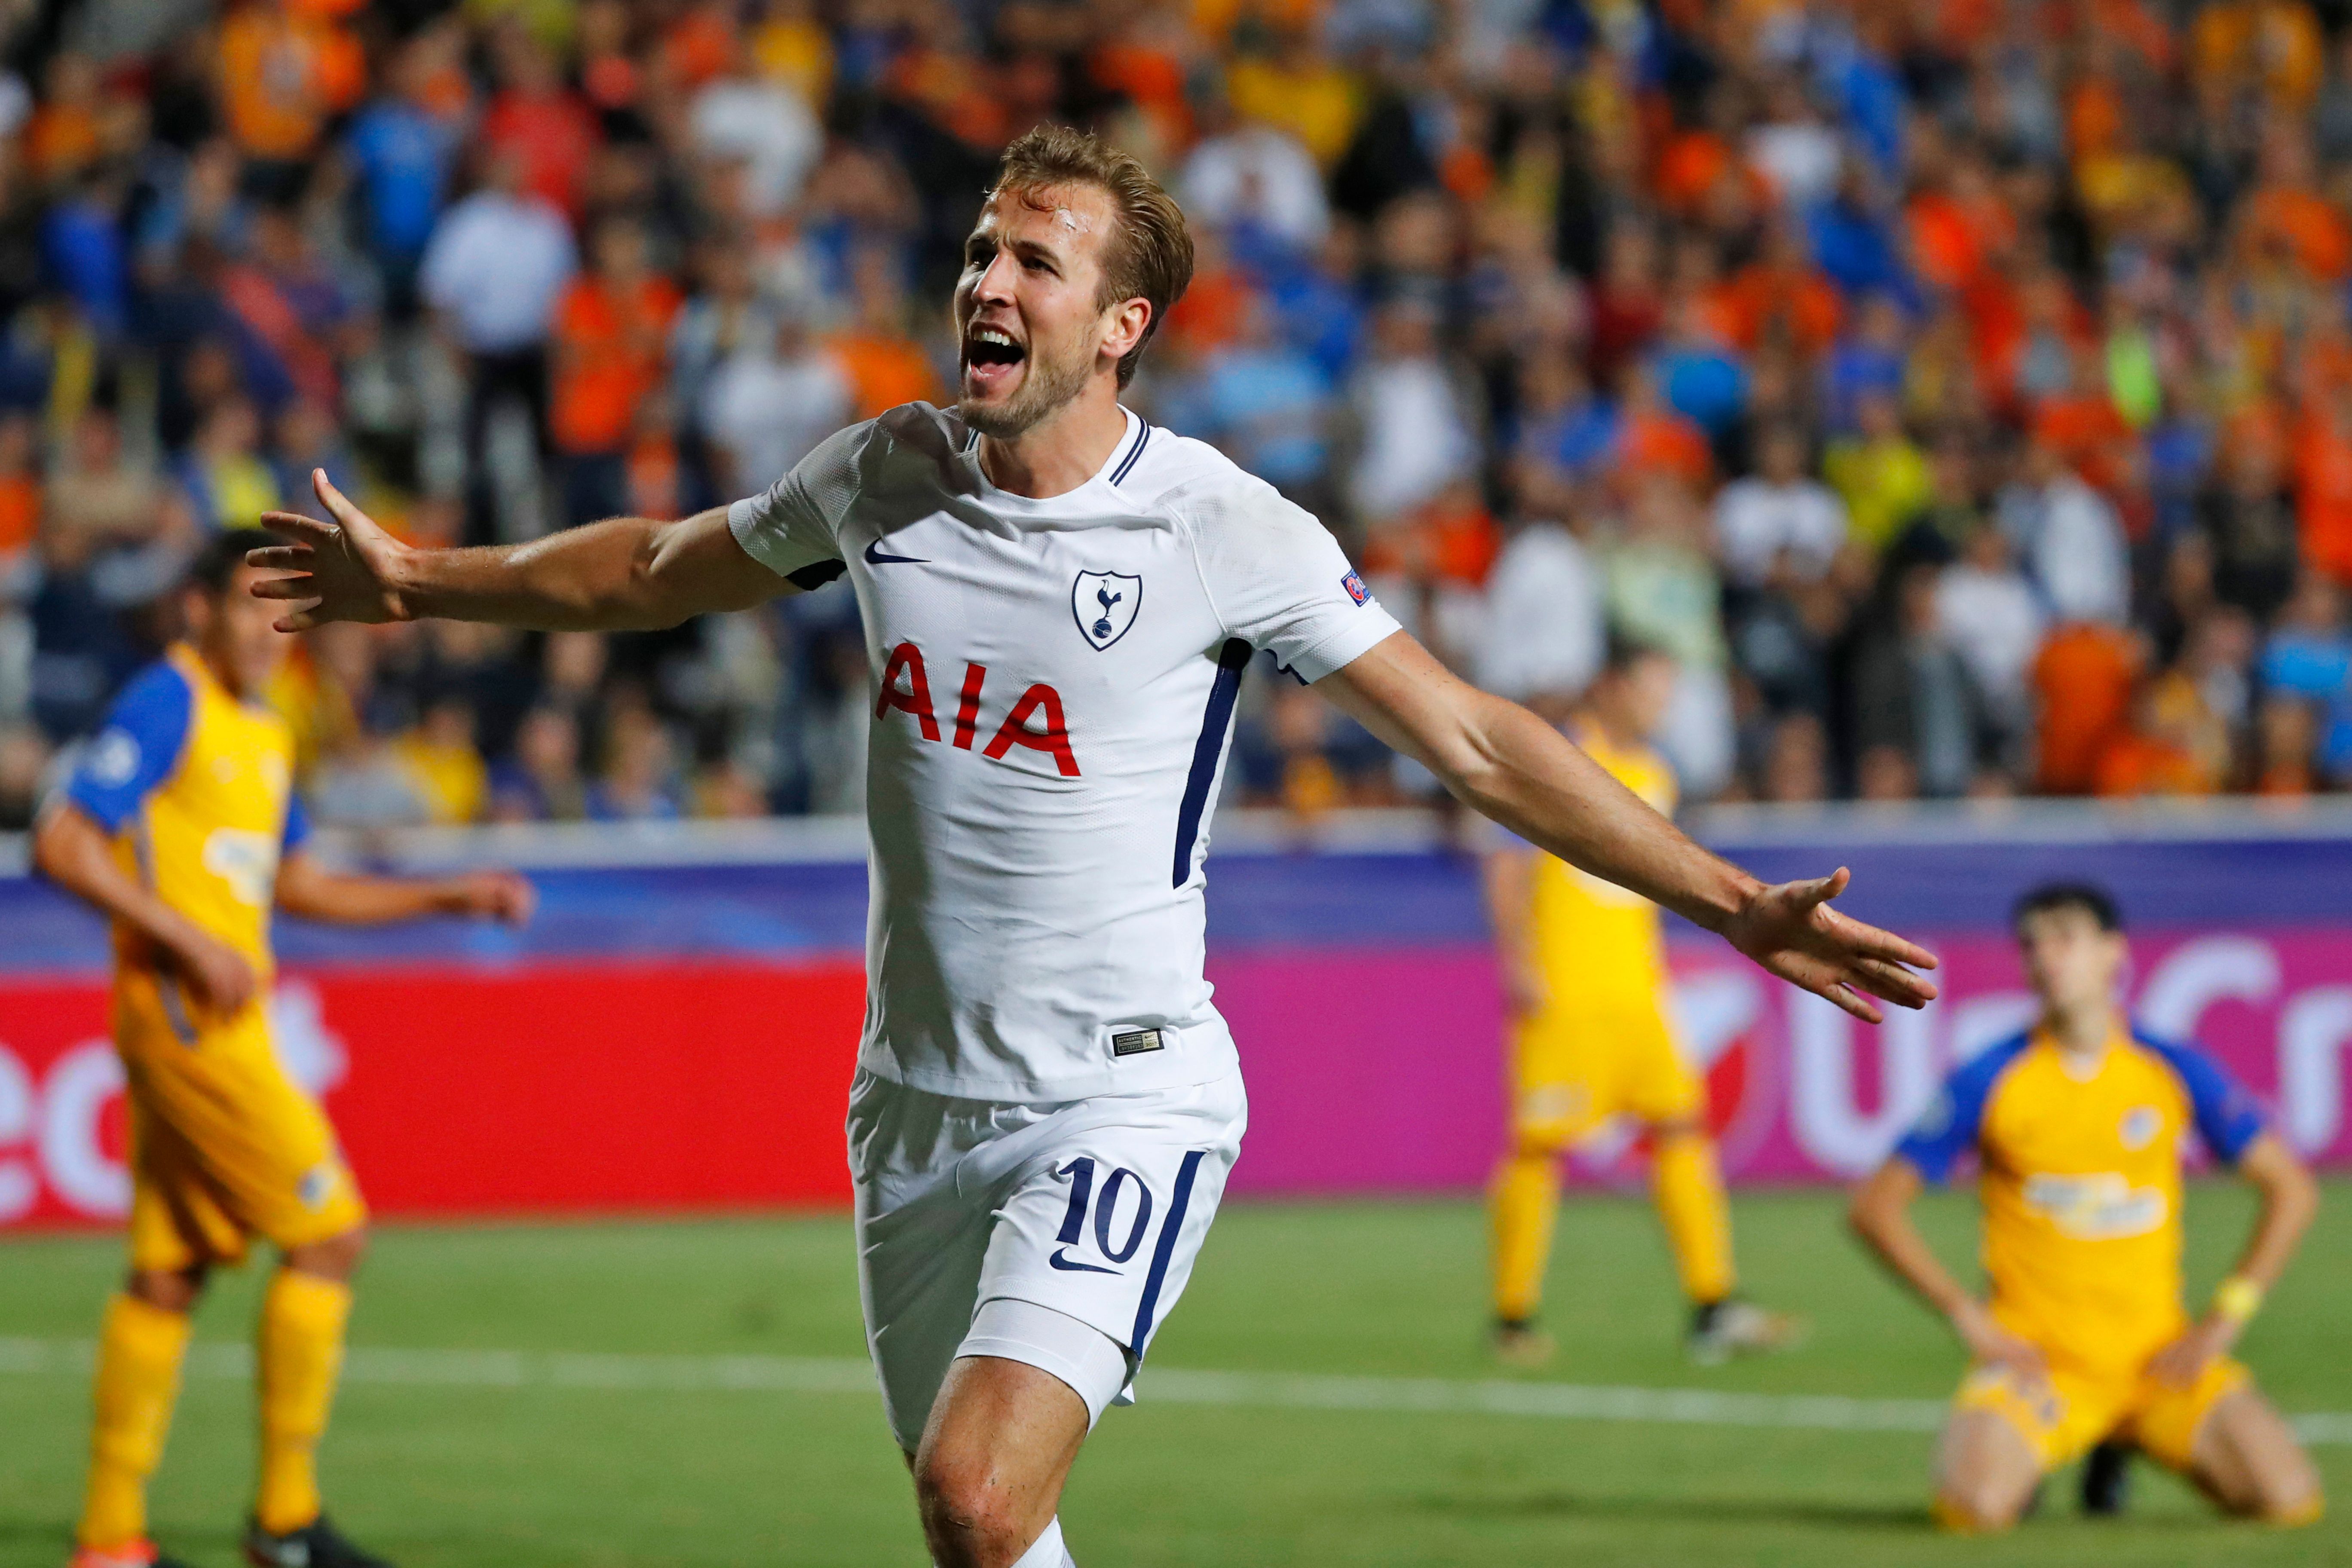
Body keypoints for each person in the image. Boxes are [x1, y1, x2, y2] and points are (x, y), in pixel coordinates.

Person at [249, 127, 1937, 1568]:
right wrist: (422, 581)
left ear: (1121, 323)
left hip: (1120, 1093)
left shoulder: (1218, 525)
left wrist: (1724, 900)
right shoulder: (890, 473)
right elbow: (649, 572)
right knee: (989, 1538)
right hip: (913, 1103)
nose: (990, 281)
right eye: (984, 249)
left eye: (1038, 263)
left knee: (978, 1497)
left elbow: (1479, 739)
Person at [32, 530, 535, 1568]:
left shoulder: (264, 734)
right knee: (329, 1236)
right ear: (197, 610)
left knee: (170, 1274)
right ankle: (284, 1521)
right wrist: (186, 937)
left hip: (211, 1019)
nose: (271, 634)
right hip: (186, 1018)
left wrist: (444, 894)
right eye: (248, 607)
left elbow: (298, 885)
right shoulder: (168, 699)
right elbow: (64, 843)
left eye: (283, 612)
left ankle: (107, 1538)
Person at [1848, 882, 2324, 1535]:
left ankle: (2115, 1444)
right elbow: (1876, 1208)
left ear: (2112, 954)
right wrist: (1968, 1318)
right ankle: (2055, 1449)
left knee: (2291, 1500)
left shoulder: (2170, 1067)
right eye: (2032, 944)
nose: (2048, 958)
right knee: (1973, 1511)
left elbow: (2291, 1189)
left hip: (2157, 1362)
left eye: (2066, 937)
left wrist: (2226, 1317)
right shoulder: (1993, 1076)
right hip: (2042, 1368)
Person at [1484, 638, 1801, 1366]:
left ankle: (1713, 1304)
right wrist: (1520, 959)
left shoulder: (1656, 772)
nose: (1662, 703)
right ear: (1613, 685)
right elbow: (1506, 862)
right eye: (1653, 686)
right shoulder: (1560, 755)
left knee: (1684, 1130)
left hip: (1639, 992)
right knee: (1540, 1148)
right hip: (1568, 991)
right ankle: (1512, 1317)